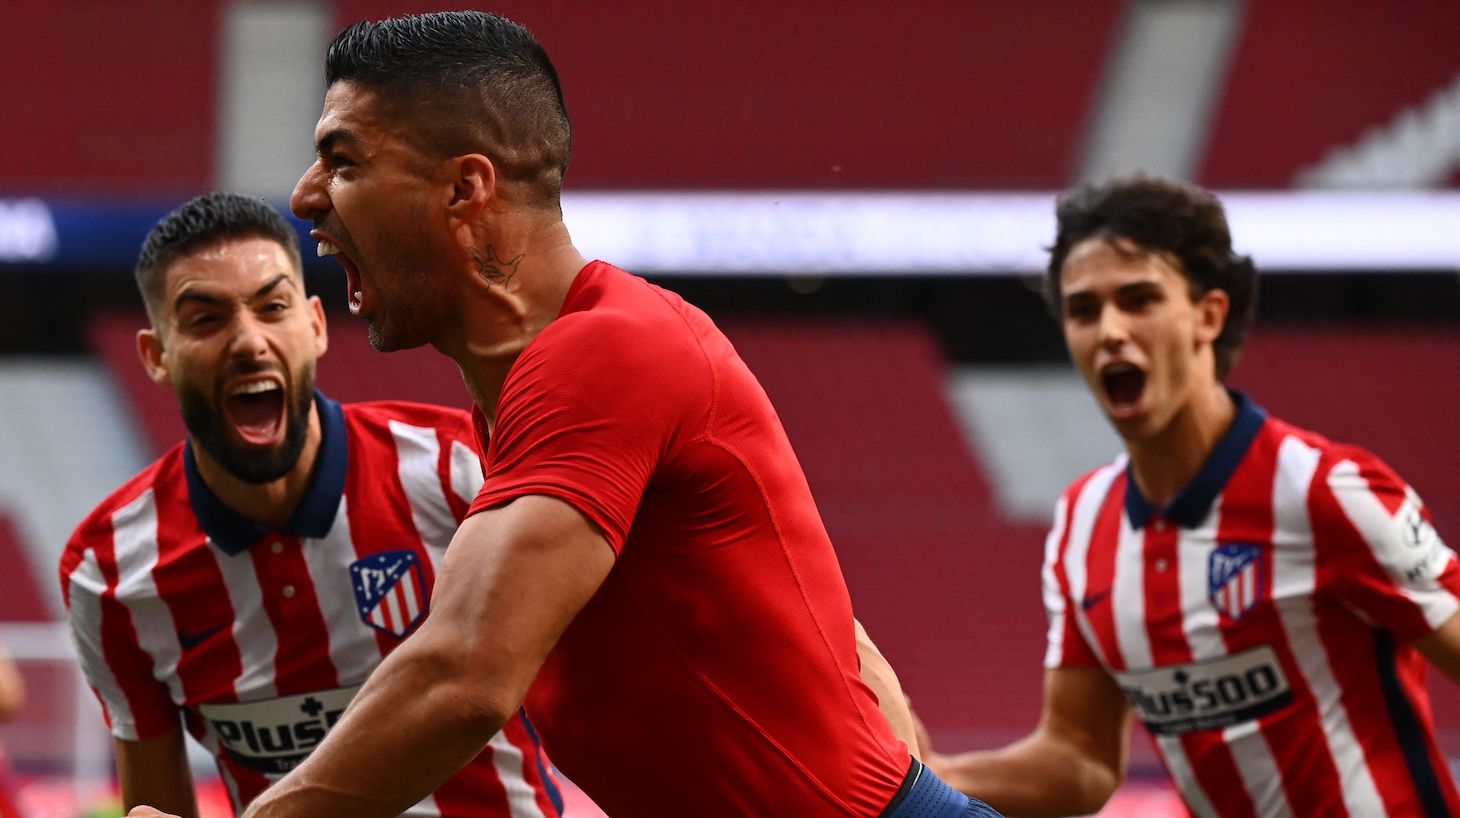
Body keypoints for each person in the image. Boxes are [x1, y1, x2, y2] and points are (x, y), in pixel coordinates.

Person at [130, 11, 999, 818]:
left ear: (468, 189)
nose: (308, 194)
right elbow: (836, 635)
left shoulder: (602, 354)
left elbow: (463, 675)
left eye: (345, 159)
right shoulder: (524, 397)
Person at [923, 176, 1460, 817]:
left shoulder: (1325, 489)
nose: (1110, 332)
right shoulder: (1082, 525)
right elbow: (1081, 761)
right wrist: (932, 774)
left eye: (1139, 299)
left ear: (1209, 315)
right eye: (1083, 310)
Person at [61, 192, 563, 818]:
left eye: (272, 307)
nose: (249, 342)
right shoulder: (108, 571)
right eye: (205, 319)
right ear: (157, 356)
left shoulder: (458, 469)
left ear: (316, 326)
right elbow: (157, 804)